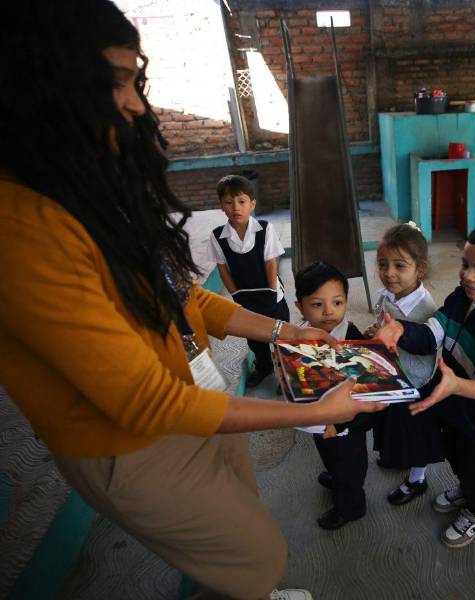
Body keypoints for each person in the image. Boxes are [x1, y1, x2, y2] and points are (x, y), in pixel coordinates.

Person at [0, 3, 384, 599]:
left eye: (136, 81)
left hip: (195, 387)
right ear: (43, 90)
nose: (135, 105)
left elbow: (191, 305)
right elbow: (145, 404)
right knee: (257, 555)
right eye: (115, 83)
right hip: (126, 441)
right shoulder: (20, 229)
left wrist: (289, 333)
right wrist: (315, 412)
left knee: (238, 513)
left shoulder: (93, 191)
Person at [375, 216, 475, 548]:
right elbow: (432, 333)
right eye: (465, 265)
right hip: (451, 403)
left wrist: (457, 385)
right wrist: (401, 330)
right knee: (457, 457)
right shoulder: (462, 297)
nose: (468, 276)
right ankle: (466, 489)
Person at [292, 261, 372, 530]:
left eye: (337, 303)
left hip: (347, 425)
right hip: (319, 419)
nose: (329, 312)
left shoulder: (353, 340)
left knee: (349, 466)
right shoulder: (300, 335)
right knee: (329, 454)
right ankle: (336, 476)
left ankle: (351, 508)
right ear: (299, 307)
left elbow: (366, 395)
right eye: (317, 305)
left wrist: (338, 424)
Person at [367, 222, 442, 506]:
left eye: (400, 266)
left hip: (416, 382)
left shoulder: (426, 309)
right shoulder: (386, 295)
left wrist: (393, 340)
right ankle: (397, 458)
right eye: (383, 264)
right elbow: (381, 323)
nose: (389, 273)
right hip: (394, 374)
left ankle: (417, 479)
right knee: (394, 427)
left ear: (420, 269)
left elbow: (425, 347)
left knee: (416, 436)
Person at [208, 174, 290, 387]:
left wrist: (272, 293)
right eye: (228, 202)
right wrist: (236, 295)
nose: (236, 207)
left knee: (282, 337)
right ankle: (264, 367)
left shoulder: (264, 229)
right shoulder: (217, 236)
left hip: (273, 296)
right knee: (256, 340)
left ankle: (287, 374)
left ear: (252, 204)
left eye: (242, 201)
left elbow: (271, 263)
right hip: (246, 298)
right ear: (221, 206)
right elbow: (222, 268)